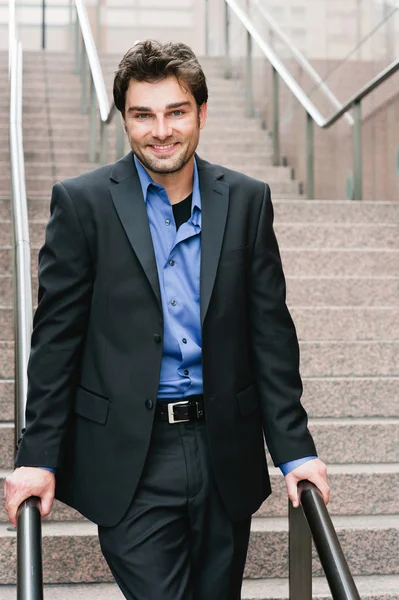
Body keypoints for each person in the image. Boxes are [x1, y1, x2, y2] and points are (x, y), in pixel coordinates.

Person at [4, 40, 329, 599]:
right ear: (124, 120)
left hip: (225, 449)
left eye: (176, 111)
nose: (161, 130)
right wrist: (36, 458)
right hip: (131, 457)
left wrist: (296, 452)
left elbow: (271, 337)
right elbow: (56, 343)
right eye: (143, 115)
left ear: (201, 113)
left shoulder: (247, 201)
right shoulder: (83, 206)